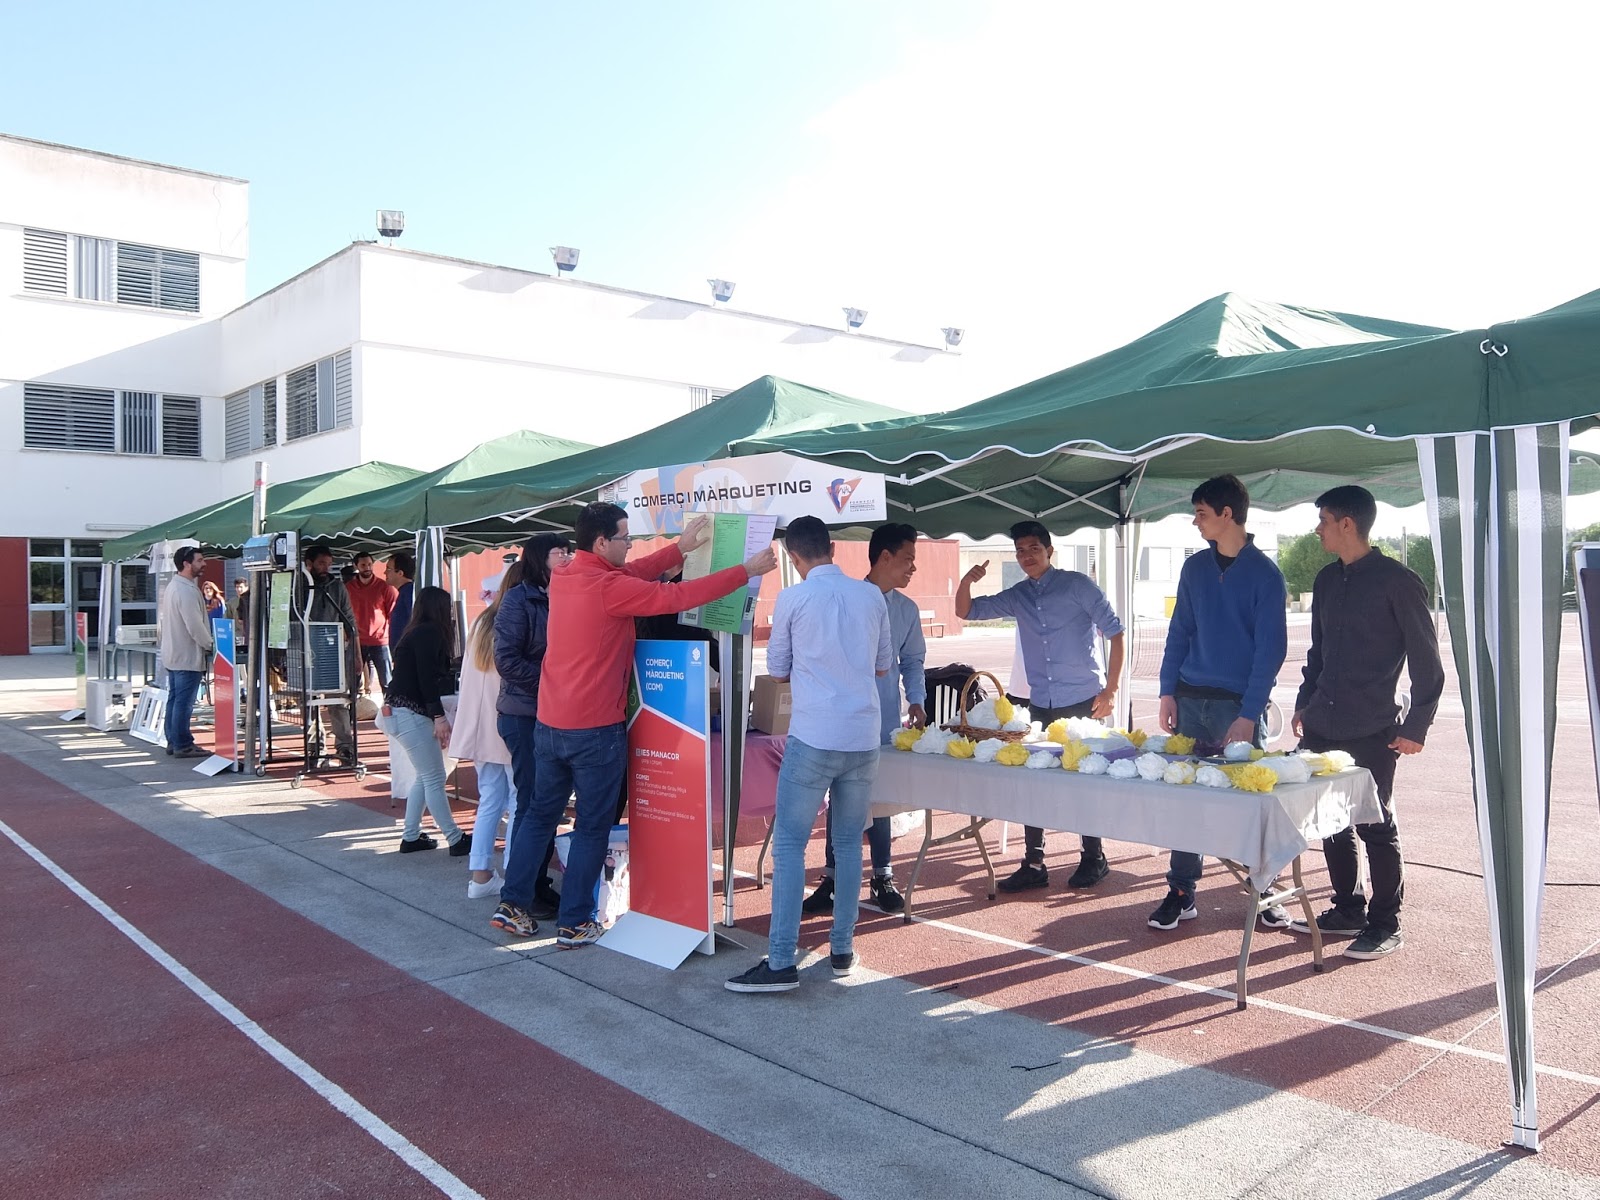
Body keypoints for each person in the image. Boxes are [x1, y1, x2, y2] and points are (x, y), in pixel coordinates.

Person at [492, 502, 776, 947]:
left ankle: (512, 905)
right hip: (594, 729)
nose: (630, 545)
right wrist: (745, 571)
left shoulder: (566, 574)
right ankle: (575, 922)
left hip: (549, 723)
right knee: (592, 826)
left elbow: (630, 573)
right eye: (625, 537)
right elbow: (677, 597)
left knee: (540, 815)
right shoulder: (609, 588)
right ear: (601, 542)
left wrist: (678, 550)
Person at [726, 516, 892, 993]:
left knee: (790, 845)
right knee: (848, 844)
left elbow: (778, 670)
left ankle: (781, 960)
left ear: (792, 557)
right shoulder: (871, 597)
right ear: (833, 548)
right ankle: (842, 949)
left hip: (815, 734)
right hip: (862, 735)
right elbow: (883, 666)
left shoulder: (793, 598)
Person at [1290, 485, 1444, 960]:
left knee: (1375, 825)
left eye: (1323, 521)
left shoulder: (1399, 581)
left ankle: (1385, 924)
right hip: (1322, 724)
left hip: (1373, 726)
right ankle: (1348, 909)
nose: (1318, 530)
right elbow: (1317, 652)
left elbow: (1427, 662)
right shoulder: (1325, 580)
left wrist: (1416, 726)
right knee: (1330, 822)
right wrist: (1304, 702)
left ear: (1347, 524)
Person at [954, 520, 1124, 893]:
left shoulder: (1077, 586)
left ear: (1049, 550)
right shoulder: (1018, 595)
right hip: (1040, 703)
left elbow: (1115, 632)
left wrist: (1111, 689)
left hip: (1082, 700)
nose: (1027, 556)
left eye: (1034, 548)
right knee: (1032, 781)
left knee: (1082, 779)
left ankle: (1094, 856)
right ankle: (1034, 862)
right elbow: (966, 611)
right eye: (1020, 550)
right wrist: (967, 580)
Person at [1153, 475, 1288, 931]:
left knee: (1250, 802)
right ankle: (1180, 890)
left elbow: (1270, 652)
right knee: (1186, 801)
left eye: (1201, 513)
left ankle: (1264, 889)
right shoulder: (1194, 569)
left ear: (1227, 514)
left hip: (1237, 709)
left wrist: (1249, 714)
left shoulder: (1266, 575)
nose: (1195, 522)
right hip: (1190, 700)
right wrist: (1167, 691)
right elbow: (1179, 631)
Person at [802, 522, 925, 917]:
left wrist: (917, 700)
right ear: (884, 557)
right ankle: (833, 879)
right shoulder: (846, 598)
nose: (913, 568)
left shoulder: (907, 610)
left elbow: (912, 660)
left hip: (885, 720)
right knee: (841, 797)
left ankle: (882, 876)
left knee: (880, 797)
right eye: (907, 559)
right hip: (844, 718)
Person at [488, 533, 574, 935]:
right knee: (534, 804)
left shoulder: (566, 593)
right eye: (560, 552)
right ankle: (522, 892)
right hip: (525, 714)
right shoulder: (519, 600)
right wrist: (552, 682)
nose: (568, 557)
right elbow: (506, 659)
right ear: (541, 558)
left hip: (554, 712)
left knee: (546, 804)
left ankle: (533, 886)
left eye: (570, 551)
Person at [451, 562, 527, 899]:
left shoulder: (481, 621)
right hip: (509, 722)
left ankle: (480, 875)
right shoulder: (516, 620)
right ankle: (513, 875)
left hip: (479, 725)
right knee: (518, 800)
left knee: (491, 800)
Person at [384, 586, 470, 854]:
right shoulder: (429, 633)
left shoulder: (415, 632)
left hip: (401, 711)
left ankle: (411, 836)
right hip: (411, 713)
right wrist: (439, 716)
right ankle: (454, 838)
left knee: (426, 776)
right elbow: (427, 680)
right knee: (434, 777)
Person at [296, 544, 360, 765]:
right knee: (308, 701)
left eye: (329, 564)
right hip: (304, 651)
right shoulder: (298, 586)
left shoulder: (337, 586)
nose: (326, 568)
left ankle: (345, 747)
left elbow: (349, 620)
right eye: (322, 563)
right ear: (309, 564)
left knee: (338, 699)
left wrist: (357, 655)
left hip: (332, 651)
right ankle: (315, 746)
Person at [157, 545, 213, 759]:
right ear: (186, 564)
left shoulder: (175, 586)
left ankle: (174, 741)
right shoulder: (186, 590)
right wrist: (210, 645)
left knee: (175, 699)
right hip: (186, 655)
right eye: (199, 560)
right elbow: (194, 626)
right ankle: (182, 744)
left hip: (174, 654)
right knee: (183, 702)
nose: (204, 564)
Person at [347, 552, 398, 696]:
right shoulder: (348, 588)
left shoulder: (385, 587)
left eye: (370, 564)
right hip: (357, 640)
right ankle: (353, 709)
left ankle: (390, 707)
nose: (367, 568)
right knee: (352, 682)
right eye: (363, 565)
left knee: (387, 682)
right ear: (356, 566)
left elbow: (393, 614)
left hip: (380, 641)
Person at [388, 551, 416, 649]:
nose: (385, 572)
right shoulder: (403, 592)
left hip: (407, 650)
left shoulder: (409, 592)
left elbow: (414, 621)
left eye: (388, 569)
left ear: (400, 573)